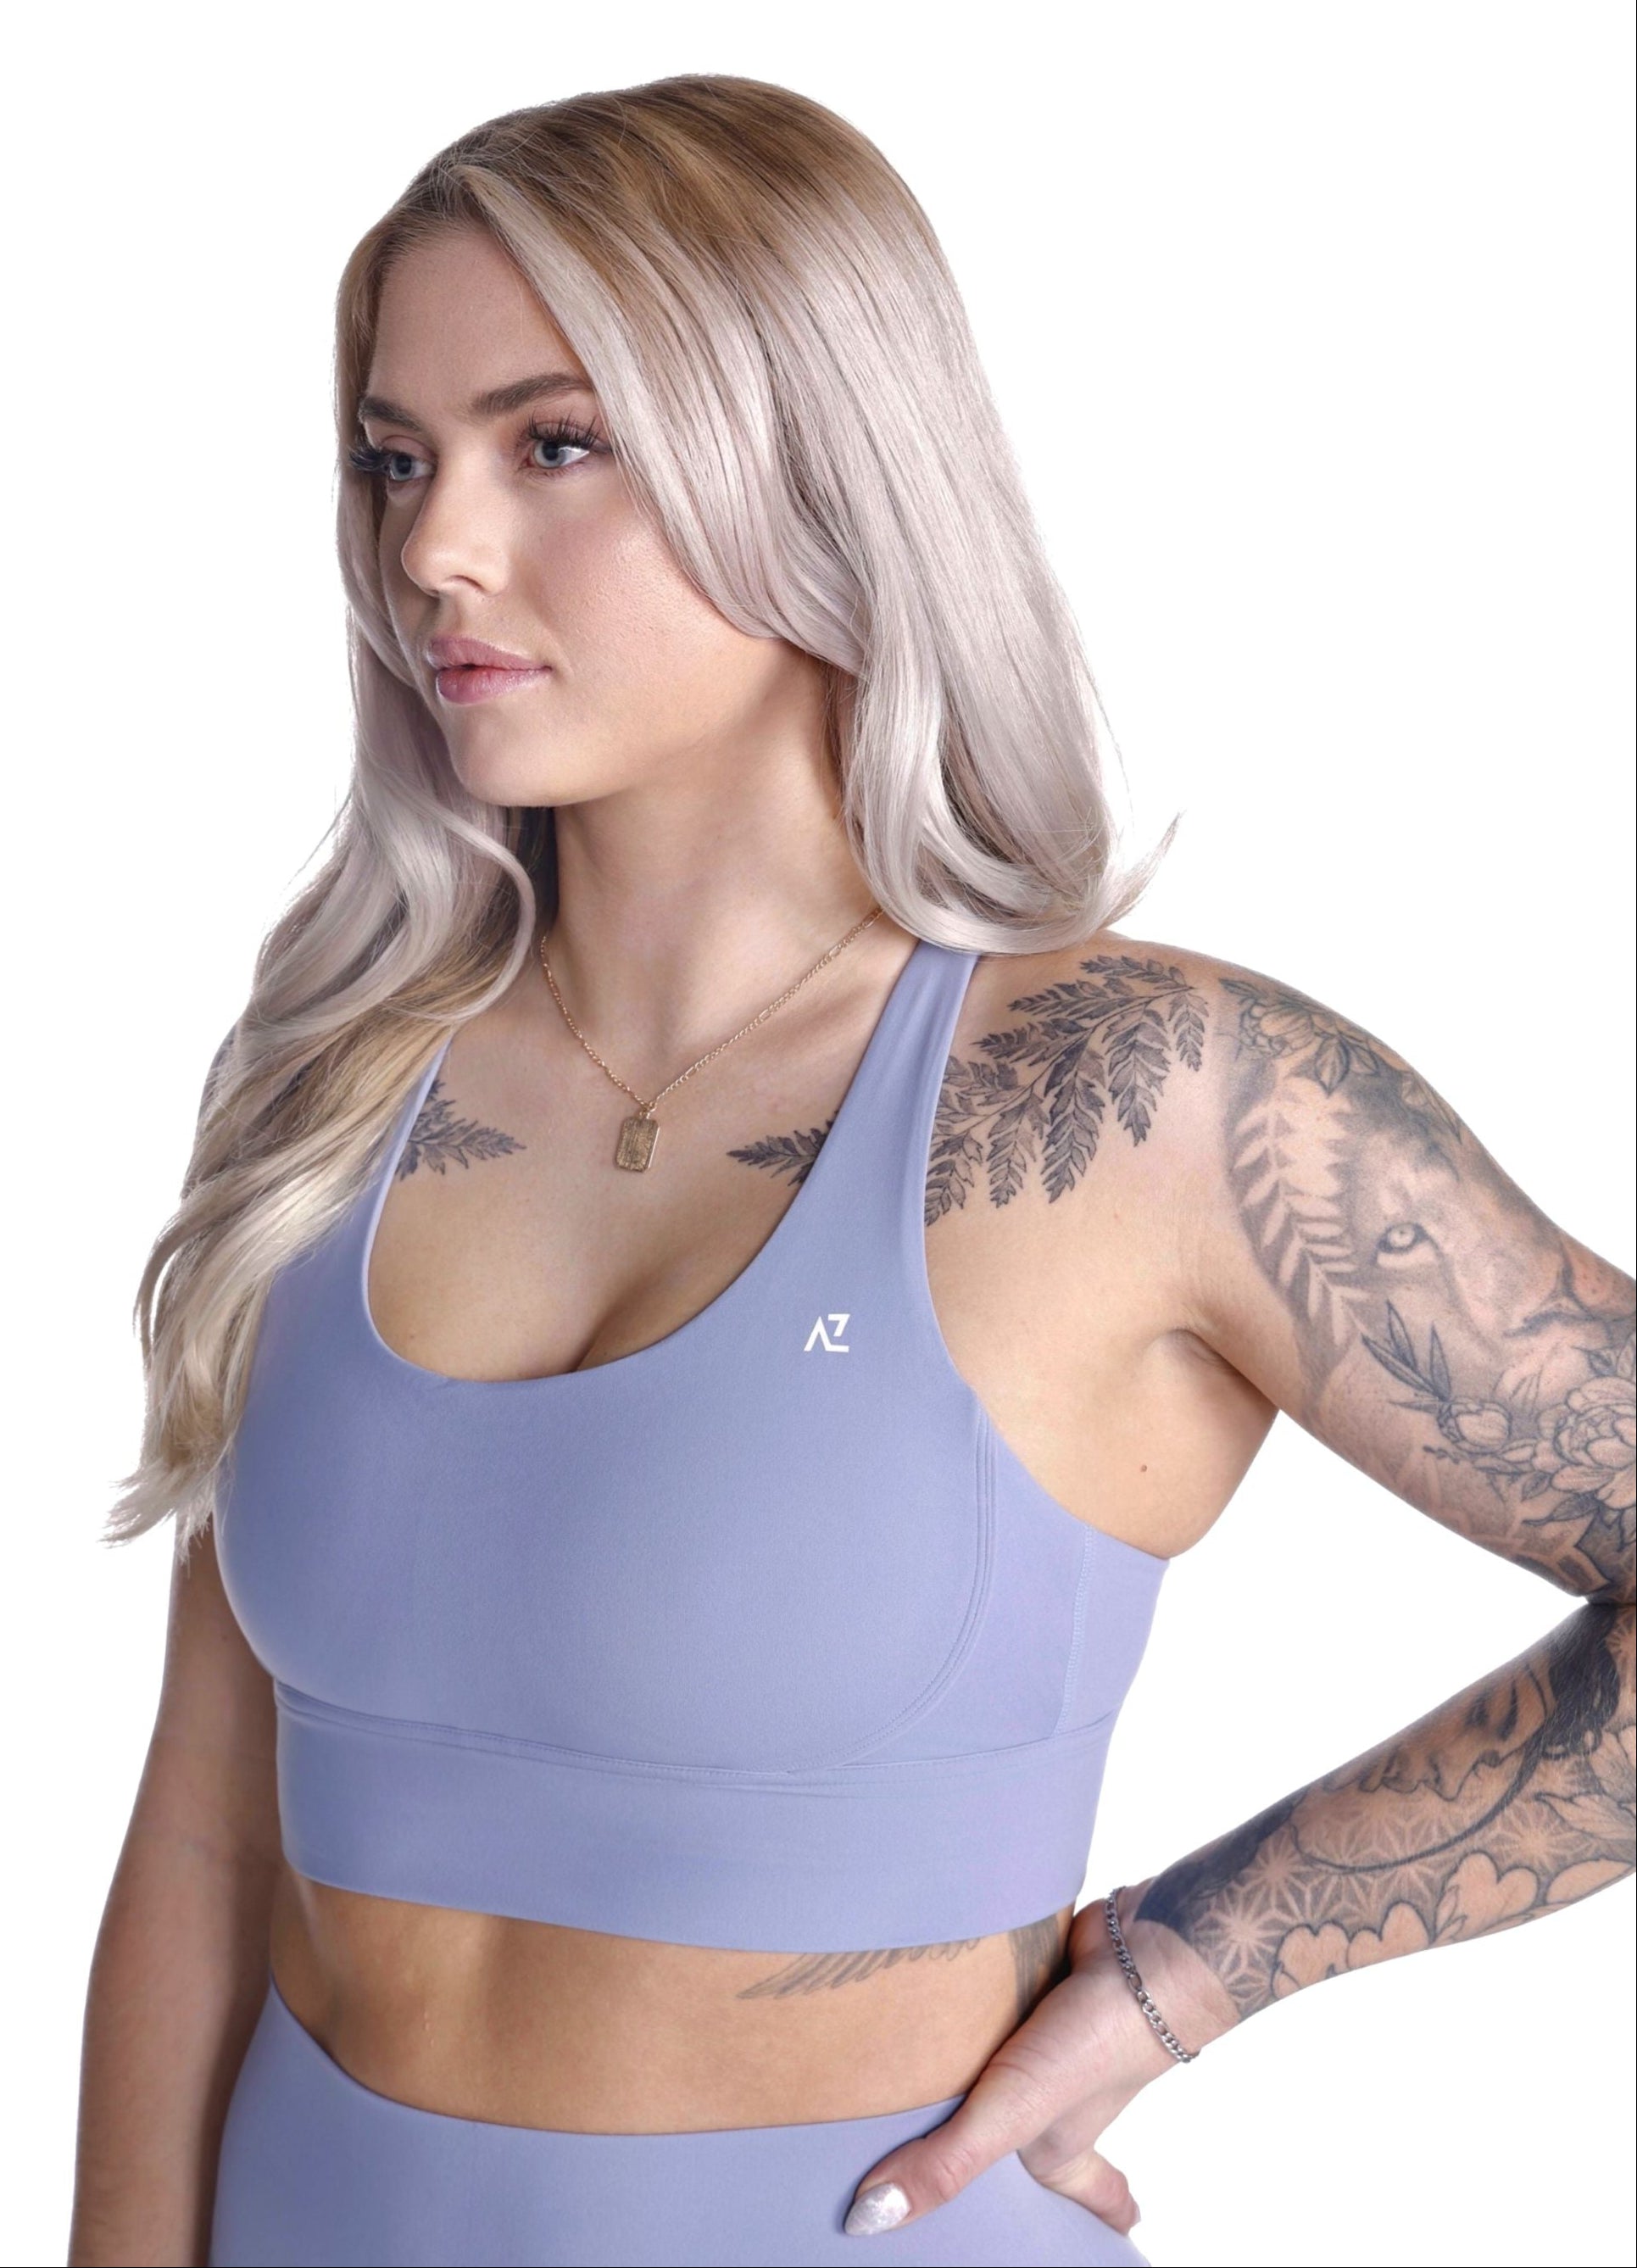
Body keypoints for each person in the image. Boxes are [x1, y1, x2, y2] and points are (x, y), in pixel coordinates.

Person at [68, 72, 1633, 2268]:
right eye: (395, 457)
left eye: (556, 443)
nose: (432, 548)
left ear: (818, 466)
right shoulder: (340, 1067)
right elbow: (209, 1826)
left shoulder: (1141, 1101)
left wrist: (1195, 1965)